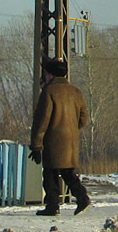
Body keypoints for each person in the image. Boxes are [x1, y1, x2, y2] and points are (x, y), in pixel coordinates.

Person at [29, 58, 92, 216]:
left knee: (49, 174)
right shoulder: (75, 92)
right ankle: (82, 197)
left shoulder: (49, 92)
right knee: (67, 172)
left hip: (53, 141)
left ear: (50, 75)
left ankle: (52, 206)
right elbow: (84, 118)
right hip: (71, 141)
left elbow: (41, 120)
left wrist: (36, 145)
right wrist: (71, 128)